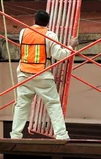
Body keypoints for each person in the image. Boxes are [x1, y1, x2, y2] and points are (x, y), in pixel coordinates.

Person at [10, 10, 78, 140]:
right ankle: (61, 135)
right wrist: (71, 46)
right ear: (48, 23)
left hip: (24, 74)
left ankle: (15, 135)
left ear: (34, 20)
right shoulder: (50, 35)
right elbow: (60, 55)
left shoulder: (23, 33)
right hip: (42, 75)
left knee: (21, 105)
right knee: (53, 104)